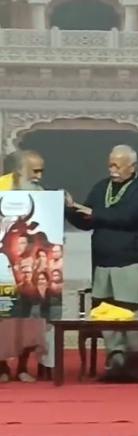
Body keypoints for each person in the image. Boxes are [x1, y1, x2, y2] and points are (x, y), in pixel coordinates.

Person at [66, 145, 138, 382]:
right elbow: (86, 221)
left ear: (132, 167)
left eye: (117, 165)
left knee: (132, 314)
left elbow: (128, 217)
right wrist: (71, 210)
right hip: (103, 263)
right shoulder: (101, 187)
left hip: (132, 263)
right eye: (110, 165)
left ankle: (134, 364)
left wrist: (94, 213)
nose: (112, 169)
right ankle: (116, 362)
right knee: (106, 312)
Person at [0, 150, 47, 383]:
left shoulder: (42, 194)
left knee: (28, 318)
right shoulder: (1, 187)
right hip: (3, 265)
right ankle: (1, 367)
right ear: (19, 170)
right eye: (34, 171)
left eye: (41, 171)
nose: (39, 176)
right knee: (3, 317)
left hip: (29, 268)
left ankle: (22, 366)